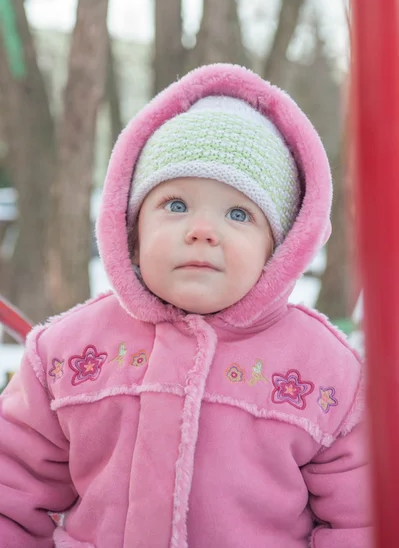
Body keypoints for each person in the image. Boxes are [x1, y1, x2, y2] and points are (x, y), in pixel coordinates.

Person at [0, 63, 371, 548]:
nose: (202, 230)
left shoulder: (327, 370)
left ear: (279, 249)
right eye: (175, 204)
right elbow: (12, 495)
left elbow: (364, 519)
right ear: (130, 232)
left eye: (239, 213)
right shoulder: (65, 353)